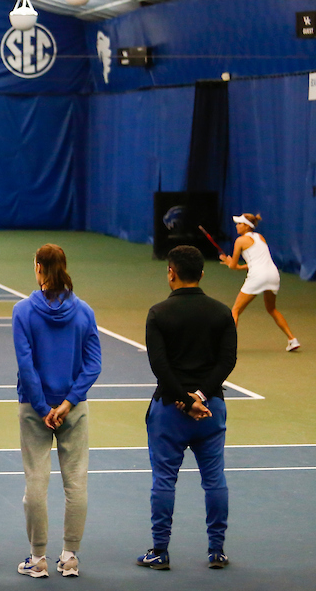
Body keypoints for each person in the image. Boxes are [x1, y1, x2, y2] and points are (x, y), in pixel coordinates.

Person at [138, 245, 237, 571]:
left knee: (164, 480)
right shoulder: (222, 312)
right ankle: (217, 551)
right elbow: (227, 361)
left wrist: (184, 398)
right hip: (211, 411)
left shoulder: (158, 313)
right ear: (202, 274)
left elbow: (160, 366)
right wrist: (201, 396)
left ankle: (160, 551)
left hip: (169, 411)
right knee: (215, 480)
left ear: (171, 273)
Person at [12, 244, 102, 579]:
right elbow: (93, 365)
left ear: (38, 267)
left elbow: (26, 366)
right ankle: (70, 557)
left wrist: (42, 407)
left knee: (36, 481)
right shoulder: (84, 312)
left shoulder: (22, 311)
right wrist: (68, 403)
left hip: (34, 410)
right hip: (73, 410)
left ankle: (37, 559)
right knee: (75, 482)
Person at [220, 213, 299, 351]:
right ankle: (292, 339)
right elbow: (256, 262)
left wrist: (228, 262)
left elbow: (233, 266)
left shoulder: (240, 241)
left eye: (239, 223)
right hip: (273, 274)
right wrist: (238, 266)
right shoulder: (260, 237)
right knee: (271, 309)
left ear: (246, 226)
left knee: (236, 310)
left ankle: (227, 346)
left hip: (258, 276)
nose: (237, 226)